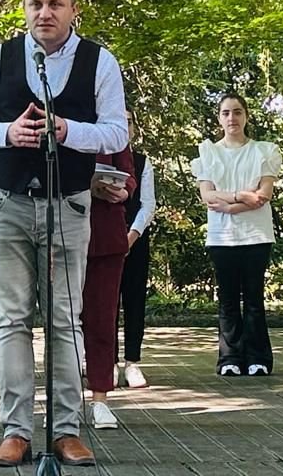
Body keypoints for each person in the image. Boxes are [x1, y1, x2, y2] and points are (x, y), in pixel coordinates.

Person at [0, 0, 129, 468]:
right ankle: (16, 431)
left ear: (74, 10)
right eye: (36, 4)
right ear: (25, 9)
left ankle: (66, 431)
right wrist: (7, 133)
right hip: (7, 203)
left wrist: (69, 130)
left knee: (64, 320)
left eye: (55, 4)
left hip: (69, 204)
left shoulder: (99, 61)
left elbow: (116, 133)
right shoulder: (1, 57)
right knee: (12, 319)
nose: (44, 13)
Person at [191, 93, 281, 379]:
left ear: (246, 116)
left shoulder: (263, 151)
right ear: (219, 118)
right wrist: (242, 196)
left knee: (254, 299)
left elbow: (263, 194)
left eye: (238, 112)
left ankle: (258, 359)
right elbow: (207, 195)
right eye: (226, 113)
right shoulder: (209, 153)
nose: (232, 118)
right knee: (227, 299)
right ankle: (229, 357)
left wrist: (230, 205)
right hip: (222, 237)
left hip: (256, 235)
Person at [82, 147, 136, 429]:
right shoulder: (53, 125)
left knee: (102, 320)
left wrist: (123, 191)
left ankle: (100, 398)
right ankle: (63, 402)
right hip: (60, 233)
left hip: (106, 234)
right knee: (60, 325)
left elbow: (129, 175)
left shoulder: (112, 128)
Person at [118, 108, 156, 389]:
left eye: (128, 122)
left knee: (134, 301)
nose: (124, 127)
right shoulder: (97, 158)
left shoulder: (142, 162)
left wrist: (130, 237)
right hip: (102, 240)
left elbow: (148, 204)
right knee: (104, 303)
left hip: (135, 241)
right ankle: (105, 362)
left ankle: (132, 361)